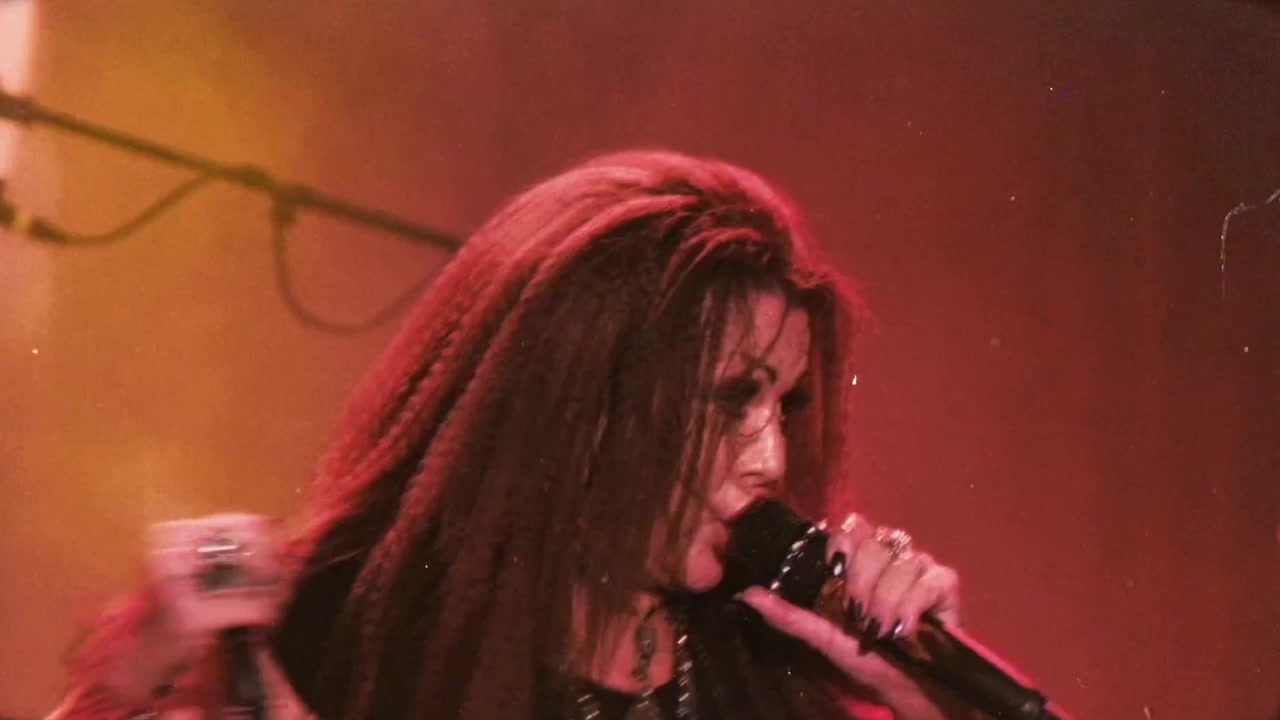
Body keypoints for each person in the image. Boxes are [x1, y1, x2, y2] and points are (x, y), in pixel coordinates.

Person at [50, 151, 971, 720]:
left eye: (784, 406)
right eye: (732, 400)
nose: (770, 459)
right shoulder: (341, 627)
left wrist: (932, 702)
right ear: (586, 396)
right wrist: (121, 685)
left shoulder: (769, 661)